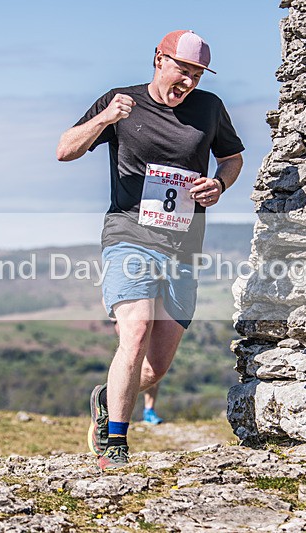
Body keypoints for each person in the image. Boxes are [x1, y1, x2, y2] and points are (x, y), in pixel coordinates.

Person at [56, 30, 244, 471]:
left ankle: (106, 397)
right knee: (135, 329)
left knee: (155, 368)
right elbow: (65, 150)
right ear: (159, 60)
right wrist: (104, 119)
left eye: (197, 75)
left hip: (184, 244)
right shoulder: (121, 100)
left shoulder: (210, 108)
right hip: (129, 234)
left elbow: (232, 158)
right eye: (183, 70)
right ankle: (115, 442)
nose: (189, 83)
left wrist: (219, 184)